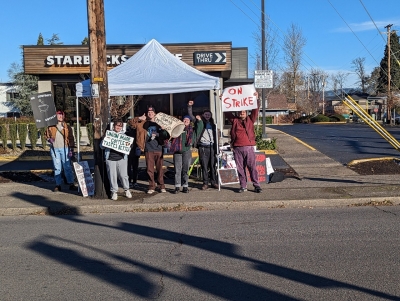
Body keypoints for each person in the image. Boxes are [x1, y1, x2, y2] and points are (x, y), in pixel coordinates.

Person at [225, 98, 263, 193]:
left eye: (244, 112)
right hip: (237, 148)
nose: (242, 113)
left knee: (252, 167)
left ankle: (256, 185)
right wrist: (224, 101)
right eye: (240, 112)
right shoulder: (234, 121)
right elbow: (227, 112)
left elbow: (255, 109)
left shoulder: (250, 119)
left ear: (246, 113)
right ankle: (243, 186)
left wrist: (257, 99)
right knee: (240, 168)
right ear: (237, 113)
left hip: (249, 148)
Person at [135, 106, 169, 194]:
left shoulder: (160, 123)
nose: (150, 113)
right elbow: (131, 123)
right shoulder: (143, 123)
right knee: (149, 169)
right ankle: (151, 186)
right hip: (148, 148)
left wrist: (161, 131)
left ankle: (161, 186)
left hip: (158, 148)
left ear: (155, 113)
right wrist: (139, 118)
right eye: (148, 112)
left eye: (152, 112)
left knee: (160, 169)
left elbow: (166, 135)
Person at [188, 101, 219, 190]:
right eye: (206, 114)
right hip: (203, 147)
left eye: (209, 114)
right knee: (204, 166)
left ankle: (214, 182)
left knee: (213, 166)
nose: (207, 116)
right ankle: (205, 183)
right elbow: (191, 115)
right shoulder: (199, 122)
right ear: (203, 115)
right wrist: (190, 106)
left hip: (212, 147)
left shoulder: (213, 125)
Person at [44, 110, 77, 192]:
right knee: (57, 168)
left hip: (65, 148)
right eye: (59, 115)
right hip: (55, 149)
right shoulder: (51, 126)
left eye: (62, 115)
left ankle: (71, 183)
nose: (60, 116)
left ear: (64, 116)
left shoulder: (67, 127)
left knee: (67, 167)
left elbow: (71, 138)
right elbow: (46, 135)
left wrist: (71, 149)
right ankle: (58, 185)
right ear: (56, 116)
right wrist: (49, 139)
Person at [101, 119, 132, 200]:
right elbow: (101, 146)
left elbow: (128, 146)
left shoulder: (124, 136)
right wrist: (105, 139)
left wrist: (129, 145)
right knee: (112, 176)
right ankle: (114, 192)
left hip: (122, 158)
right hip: (110, 159)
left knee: (124, 175)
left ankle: (126, 189)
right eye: (117, 125)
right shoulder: (109, 135)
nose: (118, 127)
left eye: (120, 126)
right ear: (114, 126)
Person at [169, 115, 194, 193]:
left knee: (185, 169)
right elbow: (169, 134)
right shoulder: (176, 128)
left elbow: (199, 126)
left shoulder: (190, 129)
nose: (186, 121)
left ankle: (185, 186)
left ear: (189, 122)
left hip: (186, 150)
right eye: (184, 120)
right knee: (177, 169)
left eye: (187, 120)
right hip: (177, 151)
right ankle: (177, 186)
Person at [126, 118, 141, 189]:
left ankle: (135, 181)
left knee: (135, 168)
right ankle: (129, 181)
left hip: (135, 150)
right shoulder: (126, 130)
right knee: (128, 168)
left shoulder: (137, 130)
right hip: (128, 151)